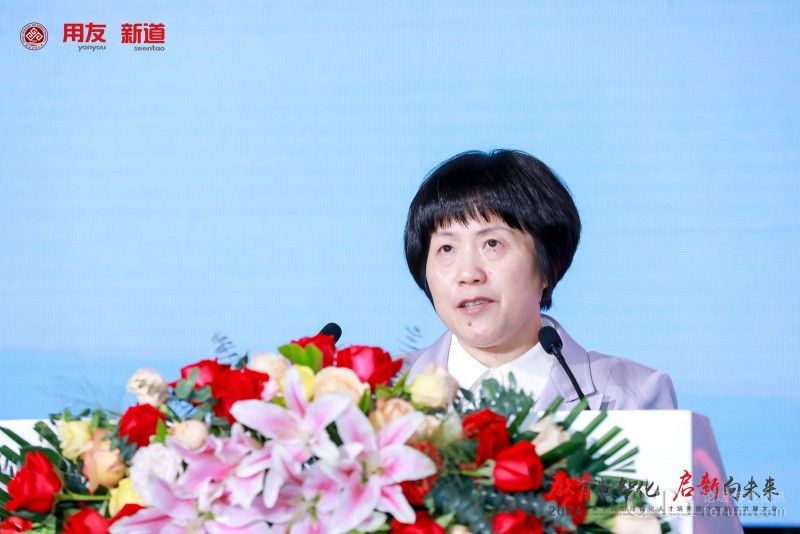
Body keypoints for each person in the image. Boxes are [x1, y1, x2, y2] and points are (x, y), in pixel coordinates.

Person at [402, 149, 677, 410]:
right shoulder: (385, 393)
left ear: (546, 264)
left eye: (492, 244)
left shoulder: (634, 398)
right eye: (446, 249)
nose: (469, 274)